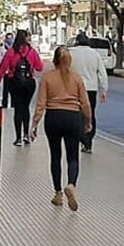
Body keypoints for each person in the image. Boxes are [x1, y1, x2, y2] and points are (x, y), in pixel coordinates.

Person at [32, 45, 93, 211]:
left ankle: (58, 193)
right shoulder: (77, 78)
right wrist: (88, 120)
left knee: (55, 156)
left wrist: (35, 123)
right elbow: (85, 103)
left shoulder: (47, 77)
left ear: (54, 60)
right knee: (73, 157)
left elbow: (41, 103)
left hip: (53, 118)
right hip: (73, 118)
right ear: (70, 61)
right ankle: (71, 185)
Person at [0, 29, 43, 145]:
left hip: (15, 83)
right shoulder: (32, 51)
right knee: (25, 108)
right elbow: (40, 67)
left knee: (18, 108)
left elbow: (3, 67)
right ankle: (26, 135)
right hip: (29, 84)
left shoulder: (11, 52)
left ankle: (18, 138)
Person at [68, 32, 108, 153]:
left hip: (75, 88)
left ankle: (80, 138)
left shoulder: (71, 53)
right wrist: (103, 90)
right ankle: (88, 141)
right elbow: (102, 73)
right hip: (91, 89)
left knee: (76, 113)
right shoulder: (94, 54)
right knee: (90, 114)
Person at [0, 32, 14, 108]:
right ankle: (4, 105)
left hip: (14, 73)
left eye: (11, 38)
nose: (10, 40)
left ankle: (13, 106)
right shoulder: (2, 49)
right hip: (6, 72)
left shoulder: (14, 49)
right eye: (8, 38)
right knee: (5, 90)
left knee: (13, 91)